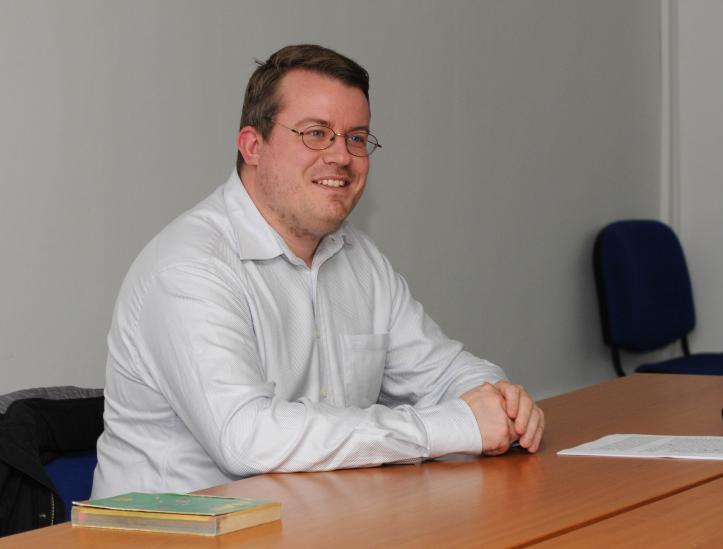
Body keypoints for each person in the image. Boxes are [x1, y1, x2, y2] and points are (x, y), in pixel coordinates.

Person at [92, 44, 544, 498]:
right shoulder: (189, 268)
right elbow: (246, 438)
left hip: (314, 519)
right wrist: (450, 427)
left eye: (356, 138)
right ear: (253, 146)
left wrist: (498, 400)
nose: (341, 156)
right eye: (315, 133)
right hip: (173, 529)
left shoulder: (358, 258)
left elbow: (442, 372)